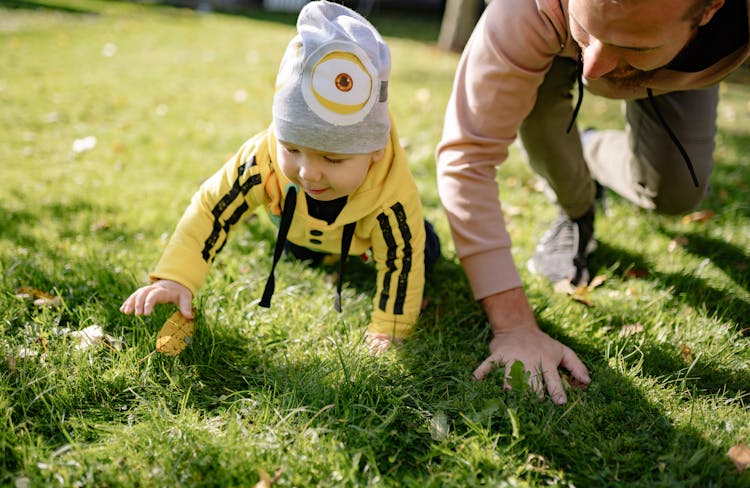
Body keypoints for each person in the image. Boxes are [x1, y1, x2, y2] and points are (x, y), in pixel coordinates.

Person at [436, 0, 748, 403]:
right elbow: (468, 156)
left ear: (710, 10)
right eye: (587, 29)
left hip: (679, 66)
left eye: (635, 46)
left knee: (674, 193)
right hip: (546, 35)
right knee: (547, 127)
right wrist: (514, 326)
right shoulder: (524, 9)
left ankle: (587, 148)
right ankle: (576, 204)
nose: (593, 68)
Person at [121, 1, 440, 353]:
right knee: (298, 250)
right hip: (301, 228)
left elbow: (403, 259)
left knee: (423, 247)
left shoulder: (392, 195)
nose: (308, 172)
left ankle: (356, 257)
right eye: (292, 150)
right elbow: (213, 208)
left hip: (368, 236)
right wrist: (176, 276)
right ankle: (318, 252)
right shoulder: (262, 158)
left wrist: (389, 329)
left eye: (333, 159)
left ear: (375, 152)